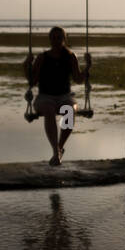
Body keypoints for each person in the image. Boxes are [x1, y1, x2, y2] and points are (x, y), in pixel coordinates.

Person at [24, 26, 90, 165]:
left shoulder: (71, 57)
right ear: (50, 39)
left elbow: (78, 79)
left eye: (59, 37)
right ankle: (56, 151)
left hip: (65, 96)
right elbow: (33, 81)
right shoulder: (42, 58)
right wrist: (26, 65)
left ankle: (59, 147)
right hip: (45, 97)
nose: (56, 40)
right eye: (53, 37)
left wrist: (88, 66)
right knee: (49, 110)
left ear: (64, 39)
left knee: (70, 110)